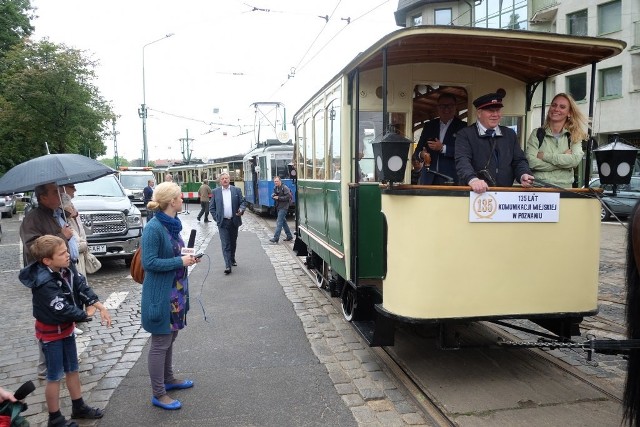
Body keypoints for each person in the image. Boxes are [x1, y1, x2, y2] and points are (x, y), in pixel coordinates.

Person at [19, 234, 111, 427]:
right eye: (62, 253)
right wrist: (85, 314)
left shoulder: (65, 268)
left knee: (72, 369)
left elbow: (80, 285)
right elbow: (60, 308)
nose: (68, 255)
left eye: (66, 250)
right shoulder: (44, 282)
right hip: (51, 335)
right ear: (47, 260)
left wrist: (97, 304)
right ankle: (55, 418)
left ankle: (78, 406)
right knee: (54, 376)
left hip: (66, 330)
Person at [141, 182, 198, 410]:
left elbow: (174, 252)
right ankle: (159, 393)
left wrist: (189, 256)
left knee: (170, 337)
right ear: (172, 202)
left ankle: (168, 379)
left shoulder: (172, 225)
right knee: (160, 342)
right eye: (180, 197)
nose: (182, 200)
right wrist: (179, 261)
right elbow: (149, 262)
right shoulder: (154, 228)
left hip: (176, 291)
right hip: (162, 294)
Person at [20, 182, 76, 379]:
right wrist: (62, 235)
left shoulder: (57, 212)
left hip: (63, 271)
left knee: (64, 316)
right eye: (55, 192)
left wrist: (69, 213)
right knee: (50, 318)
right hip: (46, 277)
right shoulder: (32, 218)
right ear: (43, 197)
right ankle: (46, 367)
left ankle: (63, 359)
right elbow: (33, 247)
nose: (60, 194)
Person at [455, 92, 535, 194]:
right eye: (490, 111)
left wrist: (523, 174)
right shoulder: (465, 134)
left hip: (504, 195)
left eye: (498, 110)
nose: (495, 115)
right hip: (475, 196)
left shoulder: (509, 134)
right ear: (479, 113)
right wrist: (472, 179)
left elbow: (519, 160)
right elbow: (462, 161)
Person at [525, 93, 587, 188]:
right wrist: (563, 161)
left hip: (564, 190)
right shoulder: (537, 134)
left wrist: (544, 156)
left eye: (562, 107)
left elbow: (575, 160)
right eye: (554, 105)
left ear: (569, 113)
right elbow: (531, 162)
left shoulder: (574, 135)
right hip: (539, 189)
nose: (556, 109)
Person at [413, 93, 467, 184]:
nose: (446, 109)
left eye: (450, 106)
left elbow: (464, 153)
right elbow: (417, 151)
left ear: (455, 107)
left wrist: (443, 148)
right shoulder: (429, 126)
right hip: (429, 179)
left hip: (451, 178)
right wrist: (422, 154)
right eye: (442, 106)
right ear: (437, 107)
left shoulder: (463, 127)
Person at [60, 184, 92, 335]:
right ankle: (74, 319)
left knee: (79, 285)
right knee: (73, 289)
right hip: (72, 257)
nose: (75, 190)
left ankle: (78, 317)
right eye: (72, 187)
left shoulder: (70, 213)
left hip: (76, 256)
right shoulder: (62, 215)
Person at [209, 172, 246, 275]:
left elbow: (243, 202)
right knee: (226, 244)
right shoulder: (215, 192)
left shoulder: (236, 190)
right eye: (222, 179)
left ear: (229, 179)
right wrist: (217, 218)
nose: (225, 180)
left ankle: (232, 258)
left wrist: (241, 209)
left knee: (233, 242)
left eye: (226, 178)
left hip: (234, 221)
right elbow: (212, 208)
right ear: (220, 181)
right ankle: (227, 265)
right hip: (222, 222)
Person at [269, 176, 294, 244]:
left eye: (277, 181)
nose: (276, 182)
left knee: (279, 222)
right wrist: (273, 196)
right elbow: (275, 195)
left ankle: (276, 238)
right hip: (278, 206)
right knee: (283, 222)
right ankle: (289, 236)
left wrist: (279, 198)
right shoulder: (275, 188)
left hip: (284, 207)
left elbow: (288, 197)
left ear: (280, 181)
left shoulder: (284, 187)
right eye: (275, 181)